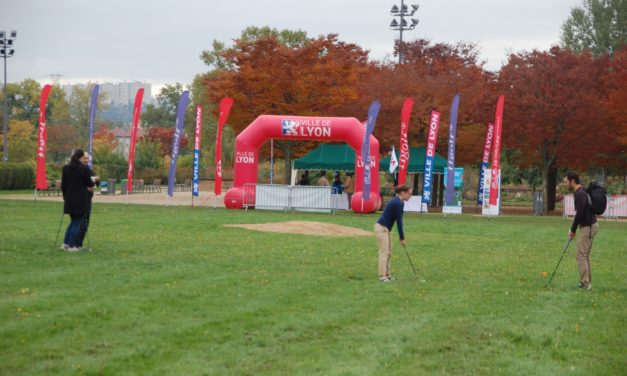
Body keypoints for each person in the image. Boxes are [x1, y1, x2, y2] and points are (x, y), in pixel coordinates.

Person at [563, 170, 598, 290]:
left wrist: (572, 230)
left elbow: (579, 214)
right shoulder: (578, 192)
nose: (564, 184)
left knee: (580, 254)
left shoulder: (580, 194)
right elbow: (580, 213)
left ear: (572, 181)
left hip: (588, 226)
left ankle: (585, 283)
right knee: (584, 254)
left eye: (566, 181)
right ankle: (587, 282)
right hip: (587, 226)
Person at [374, 184, 412, 282]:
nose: (410, 196)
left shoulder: (400, 202)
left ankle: (388, 275)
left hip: (387, 229)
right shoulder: (397, 203)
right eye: (409, 193)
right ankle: (382, 277)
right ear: (403, 193)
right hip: (382, 228)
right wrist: (402, 238)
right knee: (384, 252)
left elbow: (399, 220)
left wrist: (401, 237)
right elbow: (399, 222)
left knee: (389, 252)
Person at [61, 149, 95, 252]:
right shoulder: (84, 169)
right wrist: (93, 182)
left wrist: (65, 196)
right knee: (77, 223)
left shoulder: (65, 168)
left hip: (69, 199)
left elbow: (63, 185)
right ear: (81, 157)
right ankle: (72, 246)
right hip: (81, 200)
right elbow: (90, 183)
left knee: (73, 222)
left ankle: (65, 244)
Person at [76, 152, 99, 249]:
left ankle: (79, 243)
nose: (86, 160)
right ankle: (73, 243)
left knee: (86, 223)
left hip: (88, 199)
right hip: (79, 199)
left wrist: (97, 182)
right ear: (79, 159)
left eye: (87, 159)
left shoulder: (90, 170)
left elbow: (96, 184)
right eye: (84, 158)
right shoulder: (76, 170)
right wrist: (85, 188)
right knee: (78, 222)